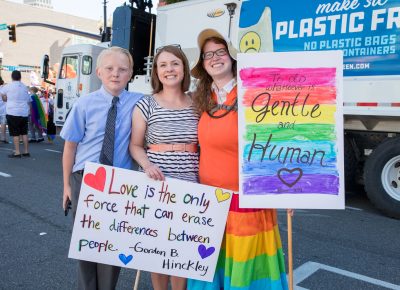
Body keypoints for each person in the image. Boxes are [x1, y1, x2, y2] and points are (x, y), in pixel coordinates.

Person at [188, 29, 288, 290]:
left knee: (245, 272)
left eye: (221, 51)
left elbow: (278, 139)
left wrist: (289, 192)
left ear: (232, 57)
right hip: (210, 200)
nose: (215, 58)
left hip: (246, 199)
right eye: (208, 54)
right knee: (210, 266)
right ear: (202, 63)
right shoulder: (201, 99)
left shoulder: (253, 94)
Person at [60, 46, 143, 290]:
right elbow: (69, 148)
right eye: (109, 68)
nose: (115, 74)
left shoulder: (139, 103)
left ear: (130, 74)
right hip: (85, 178)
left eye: (122, 69)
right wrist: (66, 186)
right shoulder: (84, 104)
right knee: (87, 241)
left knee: (112, 242)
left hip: (119, 182)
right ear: (98, 72)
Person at [129, 45, 199, 290]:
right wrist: (147, 165)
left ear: (184, 68)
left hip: (190, 186)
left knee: (182, 250)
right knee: (157, 251)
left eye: (175, 63)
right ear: (156, 72)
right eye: (163, 65)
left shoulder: (198, 103)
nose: (169, 69)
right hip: (156, 184)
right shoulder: (145, 104)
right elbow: (135, 145)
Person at [0, 70, 31, 157]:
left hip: (12, 112)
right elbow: (28, 100)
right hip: (24, 112)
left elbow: (2, 94)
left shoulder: (8, 86)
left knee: (15, 133)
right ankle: (26, 151)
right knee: (24, 133)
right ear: (20, 77)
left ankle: (17, 152)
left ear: (12, 77)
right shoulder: (25, 87)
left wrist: (5, 98)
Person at [0, 76, 8, 144]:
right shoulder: (4, 88)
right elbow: (6, 98)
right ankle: (3, 138)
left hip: (3, 108)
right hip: (3, 109)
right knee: (3, 123)